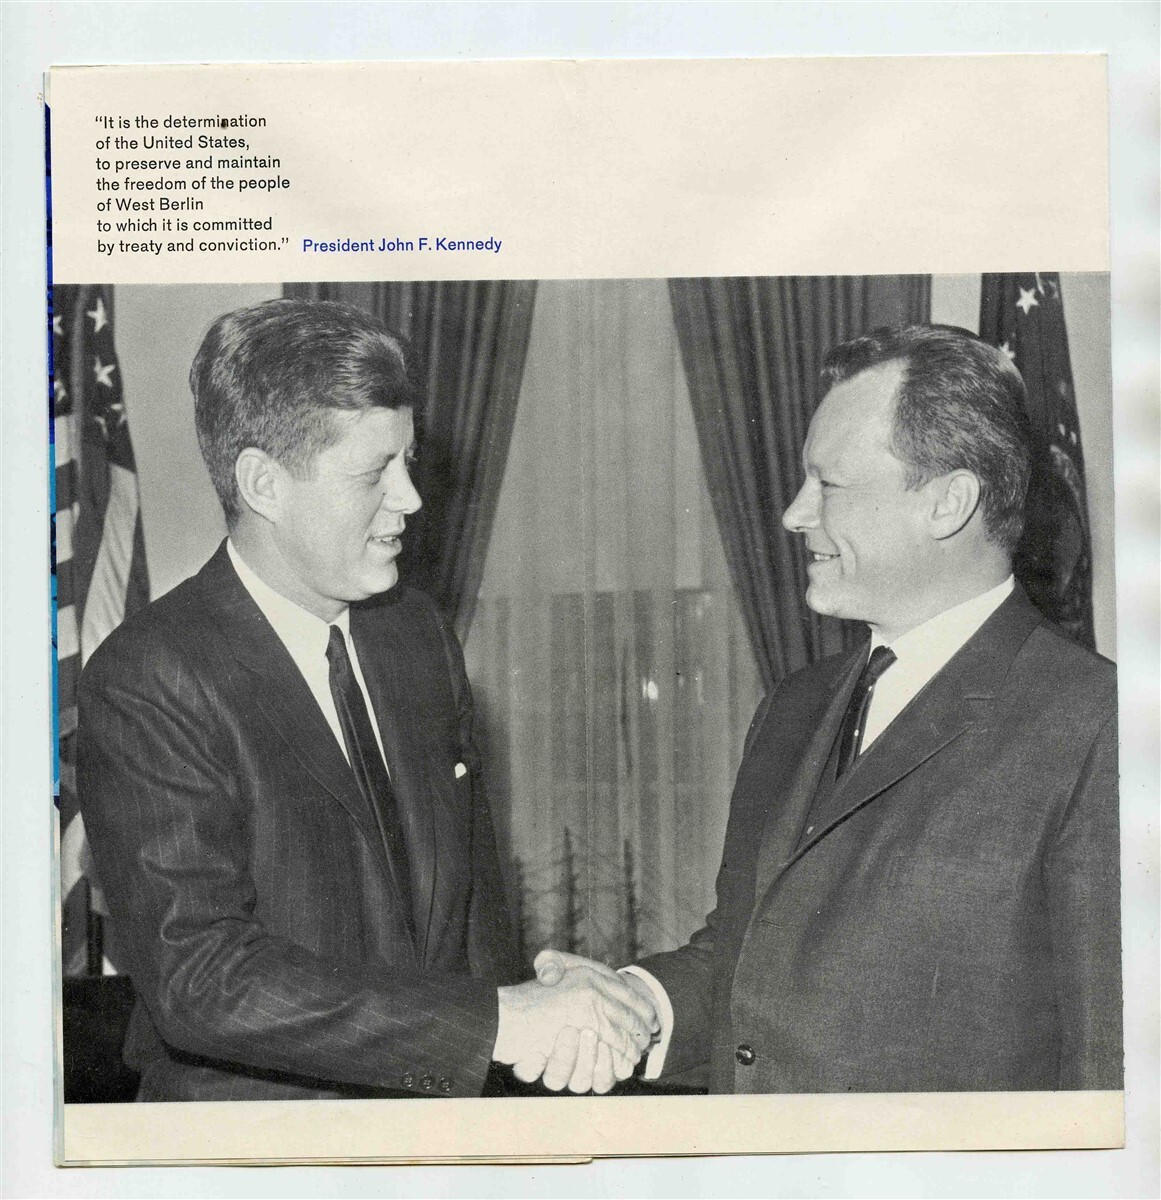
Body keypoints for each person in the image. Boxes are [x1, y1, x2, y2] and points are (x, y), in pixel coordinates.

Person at [77, 298, 656, 1102]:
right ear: (263, 484)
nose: (410, 497)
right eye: (372, 472)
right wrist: (497, 1024)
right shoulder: (150, 676)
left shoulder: (414, 633)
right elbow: (204, 979)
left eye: (407, 461)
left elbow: (470, 904)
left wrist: (521, 1031)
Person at [534, 324, 1122, 1094]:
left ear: (947, 502)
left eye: (828, 484)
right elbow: (750, 958)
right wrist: (637, 1004)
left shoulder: (1099, 725)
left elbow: (1110, 1072)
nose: (792, 513)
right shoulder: (794, 704)